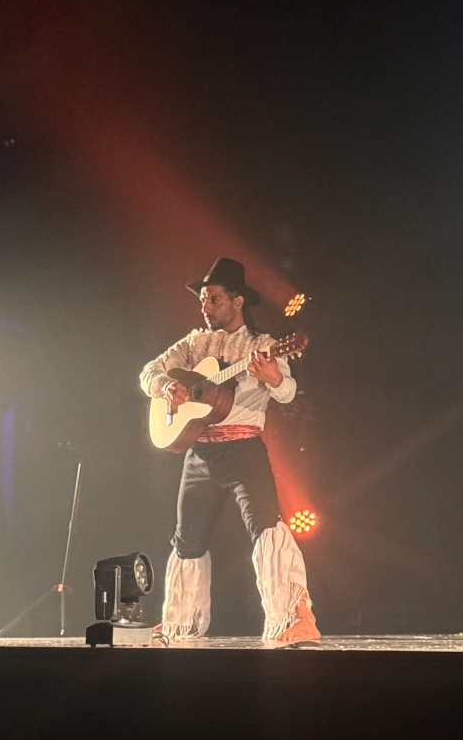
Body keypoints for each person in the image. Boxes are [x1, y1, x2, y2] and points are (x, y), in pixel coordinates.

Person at [139, 257, 320, 643]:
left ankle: (294, 617)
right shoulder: (194, 344)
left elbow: (287, 393)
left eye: (214, 299)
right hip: (200, 453)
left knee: (265, 526)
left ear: (238, 302)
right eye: (203, 300)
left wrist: (274, 377)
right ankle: (180, 623)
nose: (205, 307)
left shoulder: (264, 346)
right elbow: (150, 370)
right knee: (187, 538)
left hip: (243, 450)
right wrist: (166, 386)